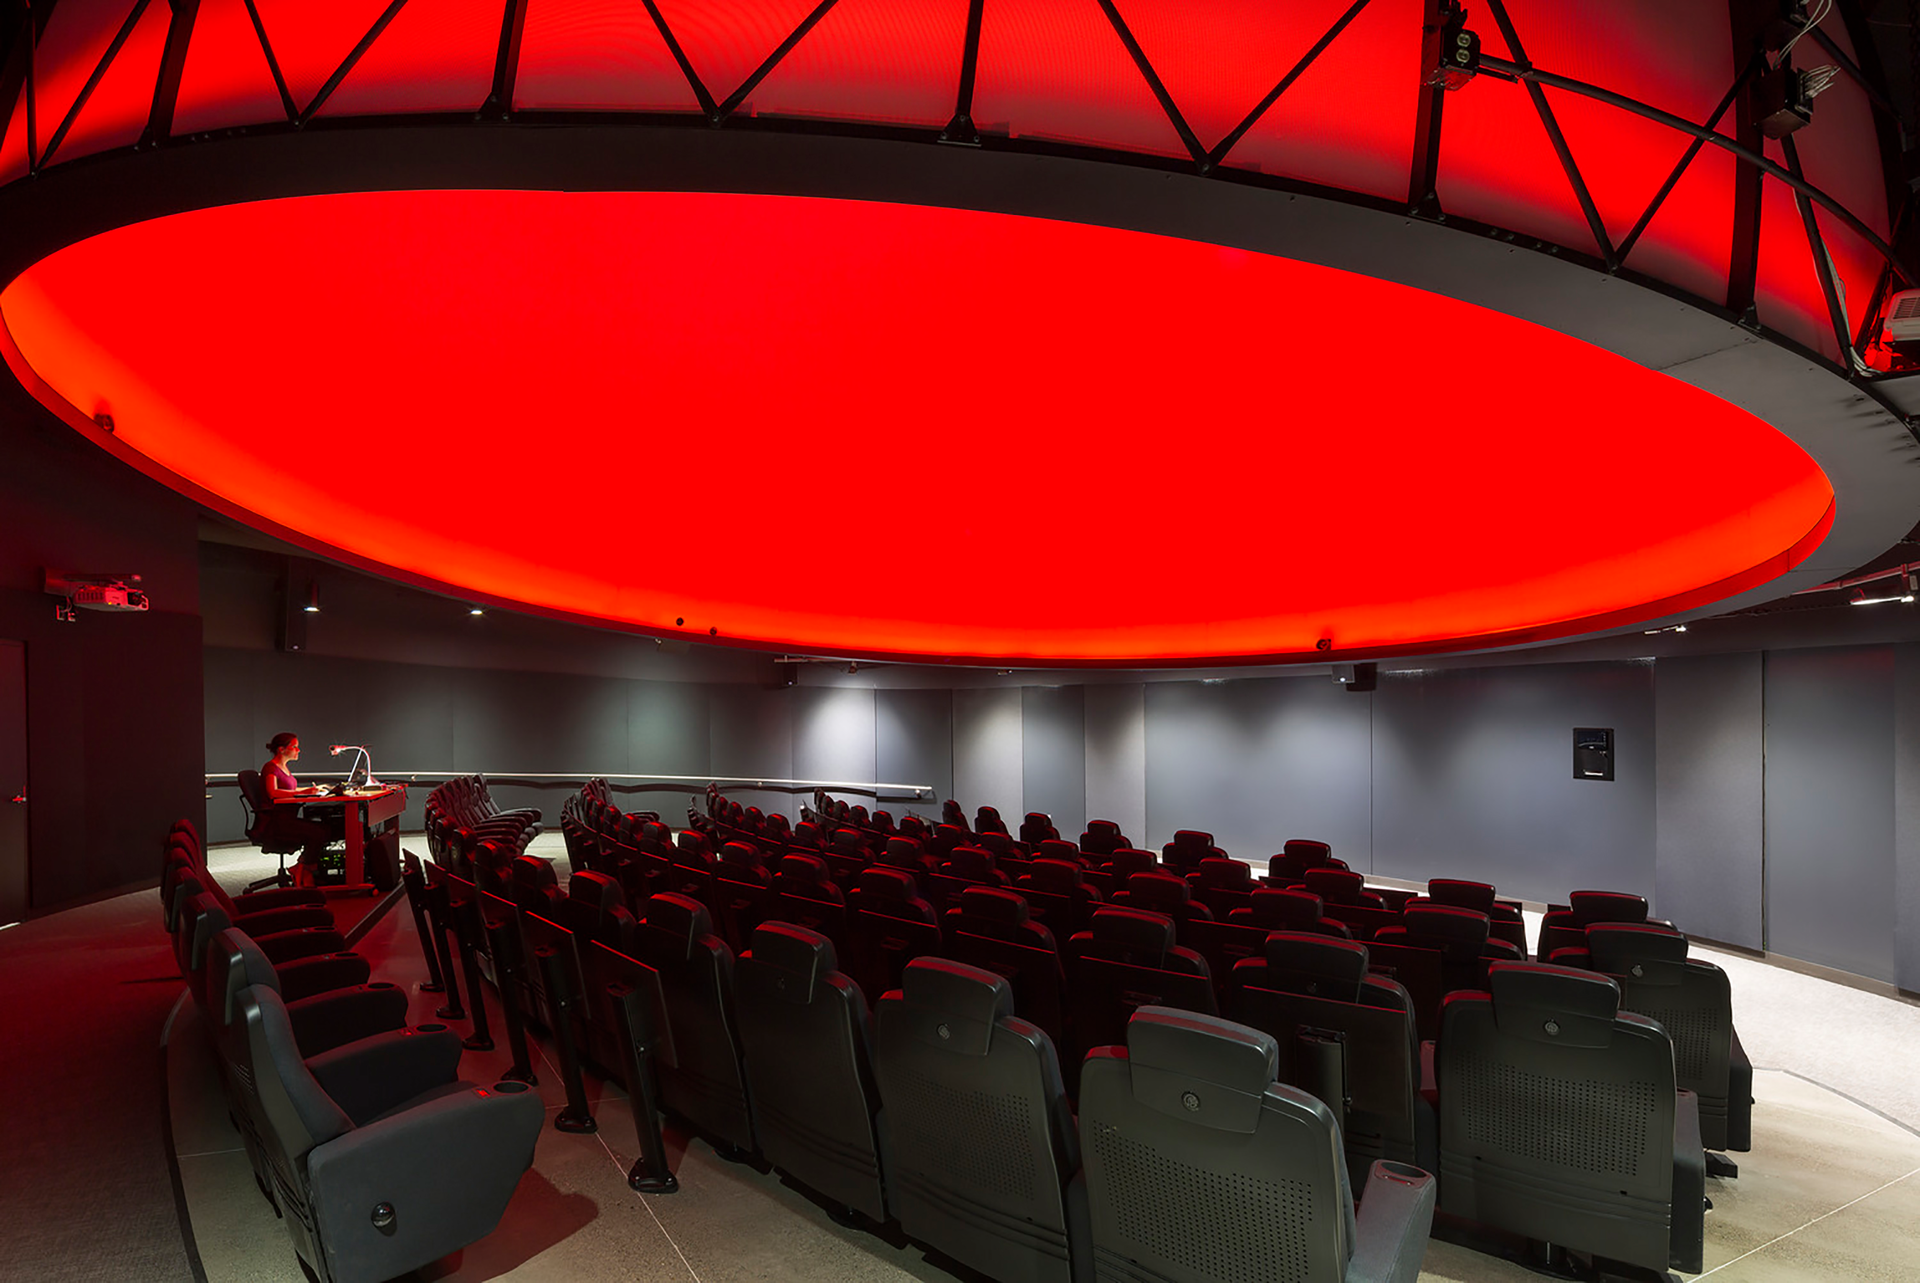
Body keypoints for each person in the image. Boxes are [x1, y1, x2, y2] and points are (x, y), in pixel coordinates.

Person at [261, 732, 338, 885]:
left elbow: (290, 791)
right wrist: (303, 792)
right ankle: (305, 869)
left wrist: (311, 790)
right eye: (295, 747)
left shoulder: (284, 768)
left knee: (325, 829)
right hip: (278, 822)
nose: (298, 750)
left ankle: (301, 867)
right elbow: (272, 792)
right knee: (319, 832)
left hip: (289, 817)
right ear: (281, 749)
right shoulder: (270, 768)